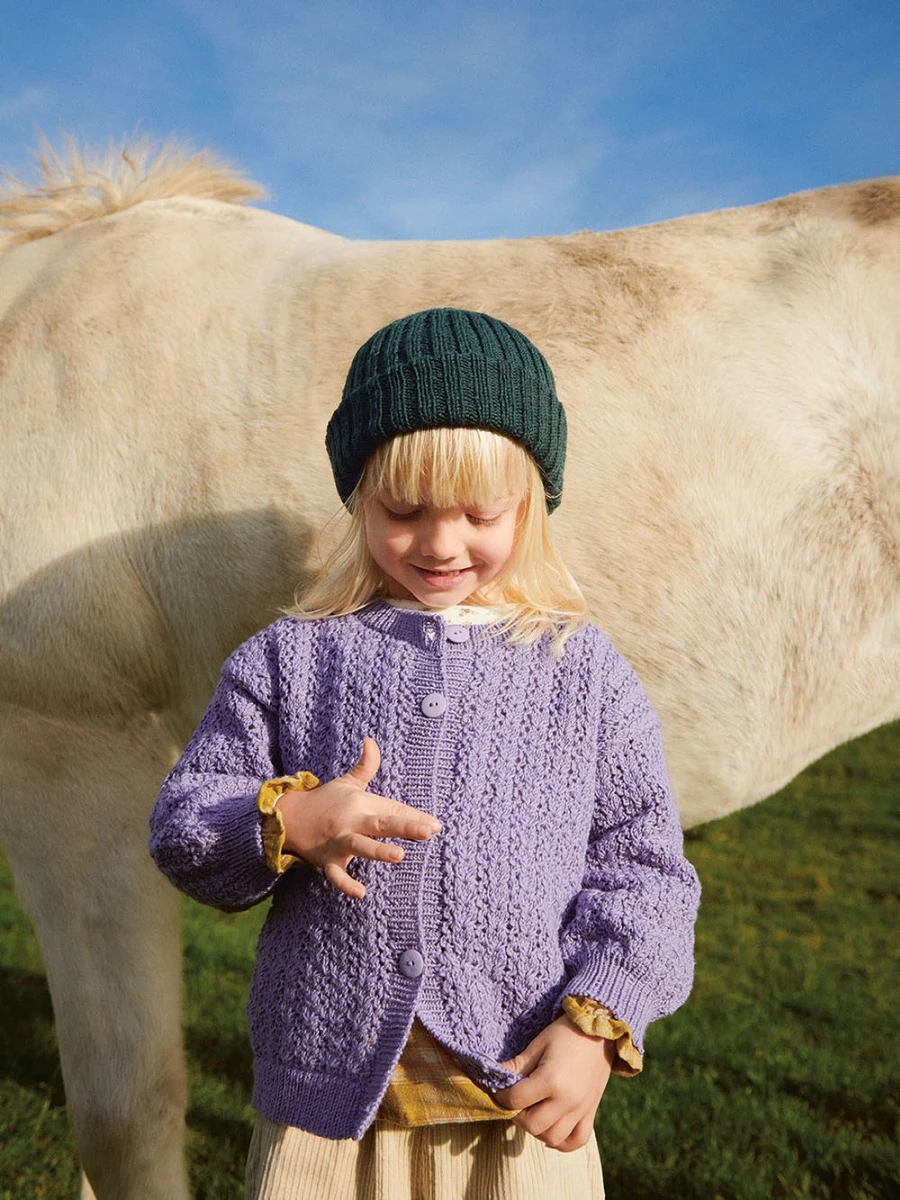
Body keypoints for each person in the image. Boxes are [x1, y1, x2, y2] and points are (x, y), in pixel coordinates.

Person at [149, 307, 701, 1199]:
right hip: (328, 1118)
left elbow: (646, 873)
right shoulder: (293, 658)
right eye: (403, 511)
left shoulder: (583, 672)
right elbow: (182, 827)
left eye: (482, 513)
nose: (441, 544)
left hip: (517, 1101)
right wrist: (286, 821)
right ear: (359, 498)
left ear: (532, 504)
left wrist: (598, 1026)